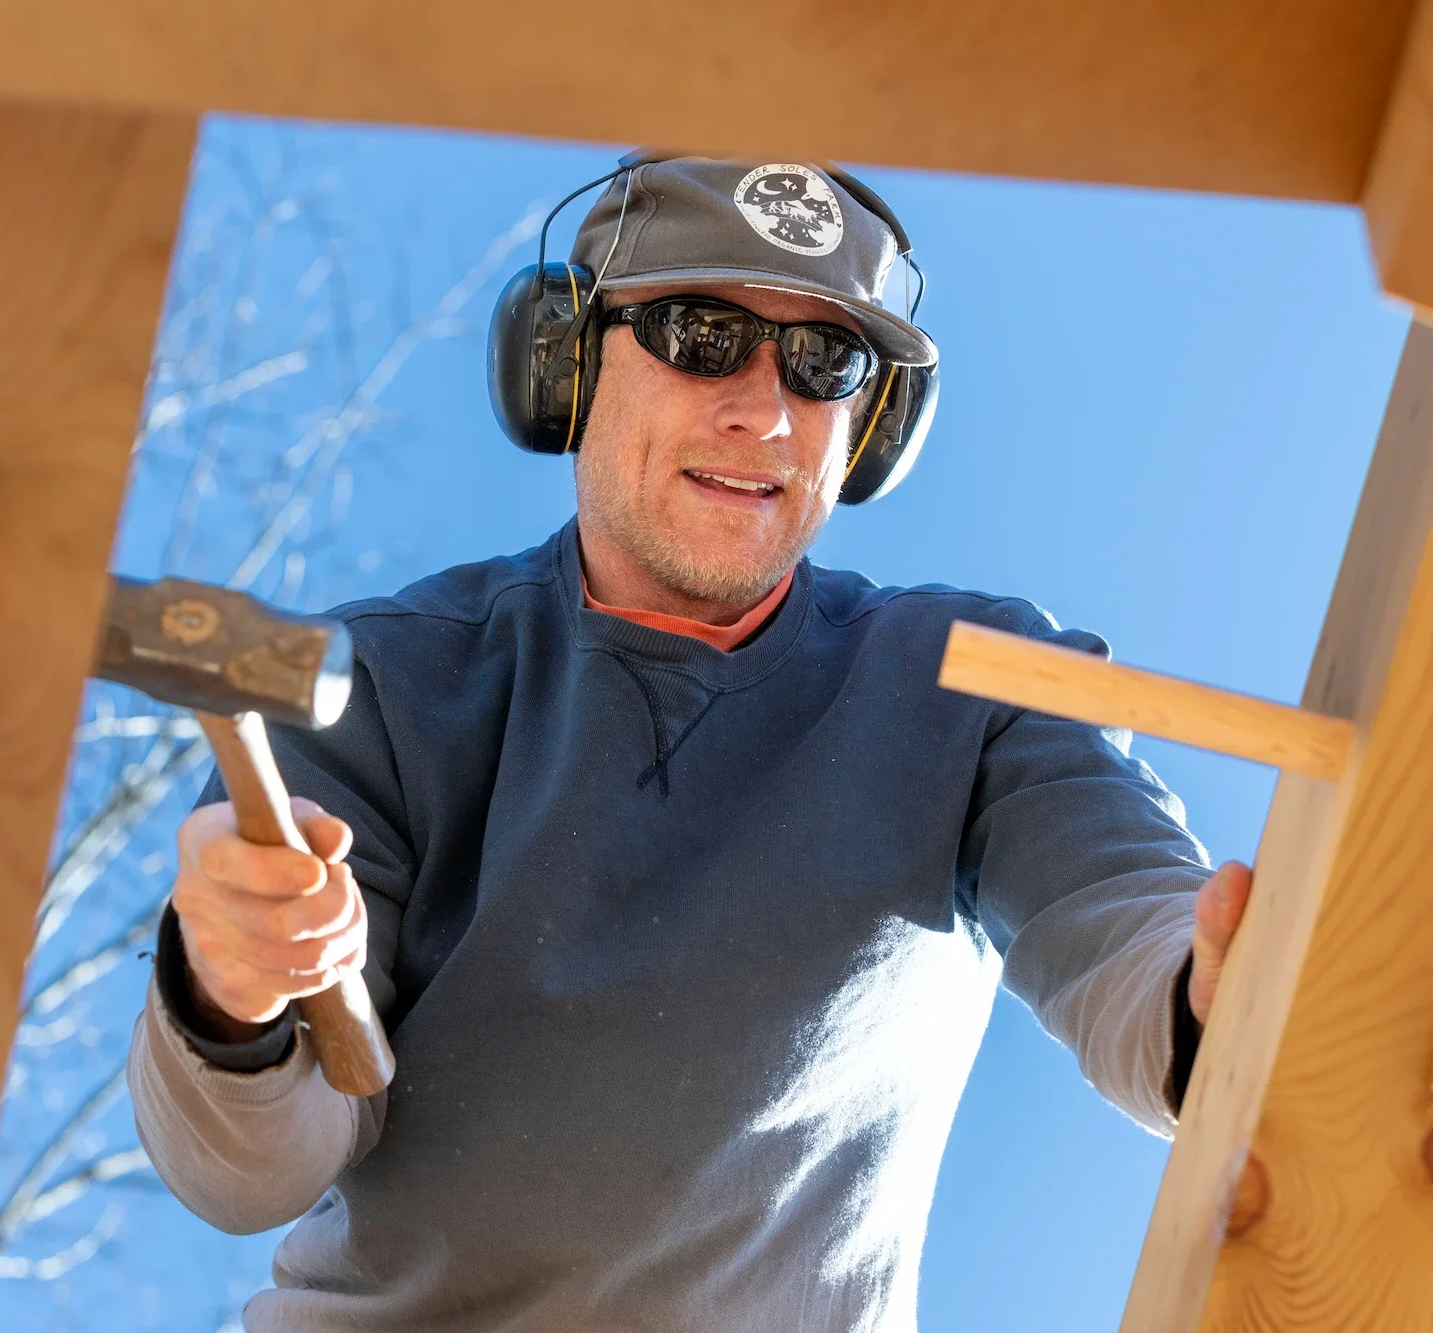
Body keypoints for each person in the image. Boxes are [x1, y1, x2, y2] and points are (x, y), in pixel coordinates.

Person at [126, 157, 1252, 1331]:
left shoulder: (975, 678)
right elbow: (249, 1170)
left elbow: (1126, 918)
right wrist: (233, 990)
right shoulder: (381, 684)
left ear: (870, 430)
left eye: (823, 363)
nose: (762, 409)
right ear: (564, 362)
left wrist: (1231, 996)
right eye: (700, 332)